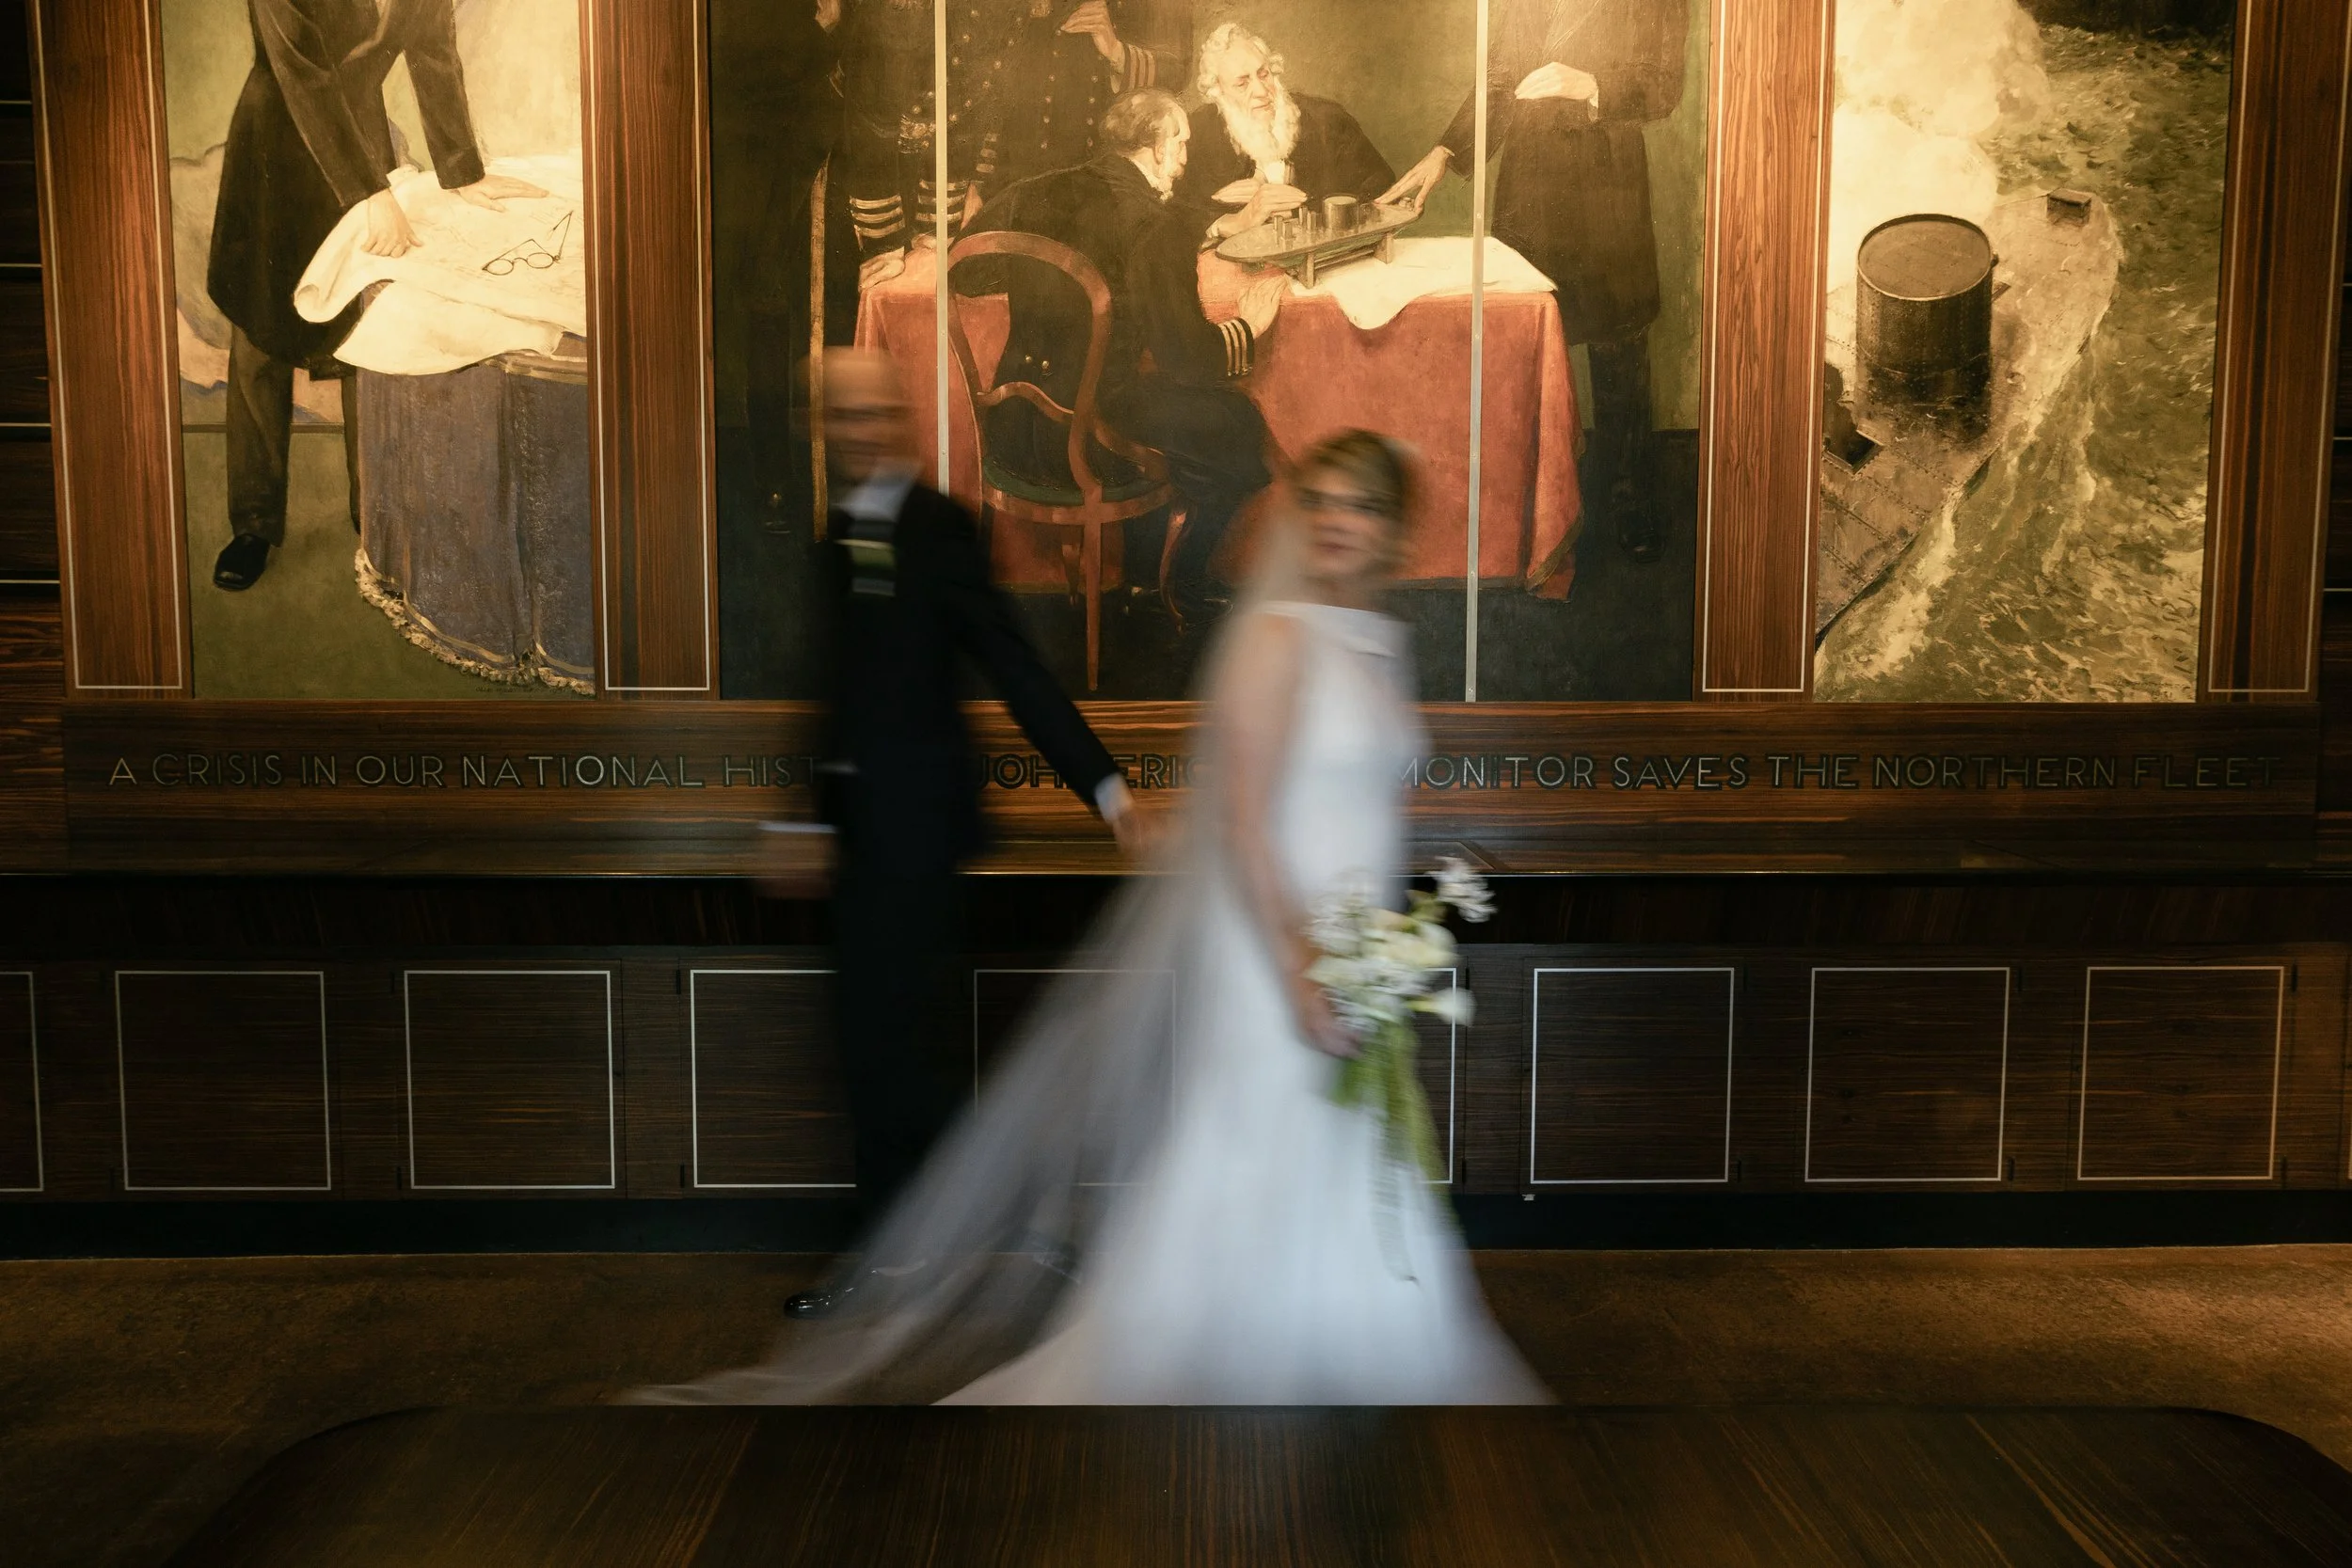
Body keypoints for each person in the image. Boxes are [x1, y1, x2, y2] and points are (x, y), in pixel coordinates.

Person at [635, 432, 1545, 1405]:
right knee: (1260, 1135)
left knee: (1346, 1143)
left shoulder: (1379, 644)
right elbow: (1240, 821)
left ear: (1394, 531)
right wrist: (1298, 962)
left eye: (1359, 505)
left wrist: (1387, 941)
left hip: (1354, 948)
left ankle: (1358, 1337)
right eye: (1318, 499)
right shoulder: (1277, 640)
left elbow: (1372, 807)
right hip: (1275, 949)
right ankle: (1233, 1349)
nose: (1334, 521)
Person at [783, 349, 1144, 1315]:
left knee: (912, 1052)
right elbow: (830, 693)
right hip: (852, 845)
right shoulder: (832, 541)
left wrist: (1106, 789)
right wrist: (799, 818)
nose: (858, 429)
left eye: (872, 413)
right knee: (867, 1051)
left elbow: (1015, 669)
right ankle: (885, 1255)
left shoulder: (943, 530)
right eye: (839, 415)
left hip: (924, 838)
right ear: (827, 426)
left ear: (898, 418)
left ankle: (1006, 1231)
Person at [206, 0, 543, 591]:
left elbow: (434, 56)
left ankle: (376, 515)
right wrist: (367, 193)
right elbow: (301, 73)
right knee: (260, 339)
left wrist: (464, 171)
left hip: (362, 145)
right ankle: (255, 524)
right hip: (275, 152)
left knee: (368, 333)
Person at [1380, 0, 1690, 563]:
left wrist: (1590, 83)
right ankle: (1532, 510)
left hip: (1607, 192)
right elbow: (1501, 79)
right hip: (1532, 194)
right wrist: (1445, 152)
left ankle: (1629, 501)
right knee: (1524, 348)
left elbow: (1665, 87)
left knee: (1618, 350)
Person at [961, 87, 1284, 624]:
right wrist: (1247, 326)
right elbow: (1187, 360)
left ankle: (1138, 580)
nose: (1183, 159)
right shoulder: (1153, 228)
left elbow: (968, 268)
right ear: (1155, 147)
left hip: (1013, 426)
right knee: (1236, 423)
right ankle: (1178, 583)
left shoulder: (1035, 190)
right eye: (1179, 143)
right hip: (1089, 439)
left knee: (1157, 408)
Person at [1171, 23, 1395, 223]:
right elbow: (1178, 215)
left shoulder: (1328, 120)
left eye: (1264, 74)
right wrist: (1235, 218)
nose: (1261, 91)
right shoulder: (1197, 133)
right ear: (1217, 91)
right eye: (1242, 84)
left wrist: (1303, 209)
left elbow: (1381, 185)